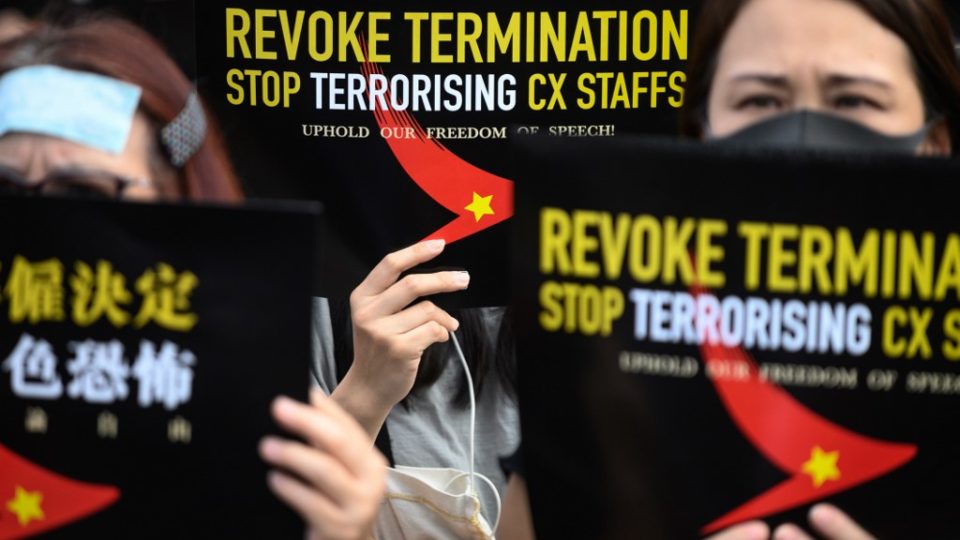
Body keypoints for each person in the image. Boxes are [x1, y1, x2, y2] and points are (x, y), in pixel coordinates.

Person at [501, 0, 960, 539]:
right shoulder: (616, 373)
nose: (803, 134)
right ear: (702, 136)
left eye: (853, 99)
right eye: (761, 99)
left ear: (936, 143)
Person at [0, 17, 386, 540]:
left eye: (85, 195)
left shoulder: (251, 416)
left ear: (179, 200)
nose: (40, 230)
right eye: (7, 192)